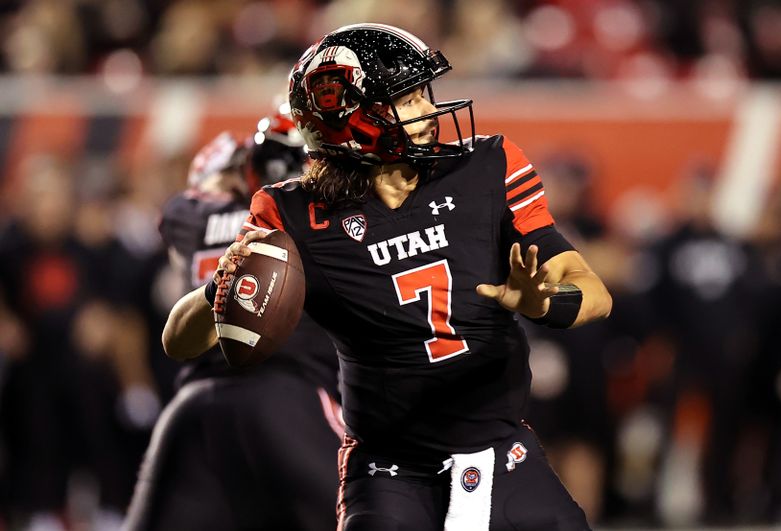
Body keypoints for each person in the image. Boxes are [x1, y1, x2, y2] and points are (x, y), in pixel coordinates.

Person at [167, 23, 612, 531]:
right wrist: (223, 288)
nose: (428, 111)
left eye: (424, 93)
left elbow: (595, 293)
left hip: (499, 447)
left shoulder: (485, 168)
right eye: (407, 99)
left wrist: (544, 303)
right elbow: (179, 340)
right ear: (349, 118)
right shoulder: (291, 214)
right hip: (389, 468)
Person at [124, 112, 342, 531]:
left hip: (195, 403)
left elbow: (195, 198)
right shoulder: (315, 217)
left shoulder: (187, 215)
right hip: (290, 398)